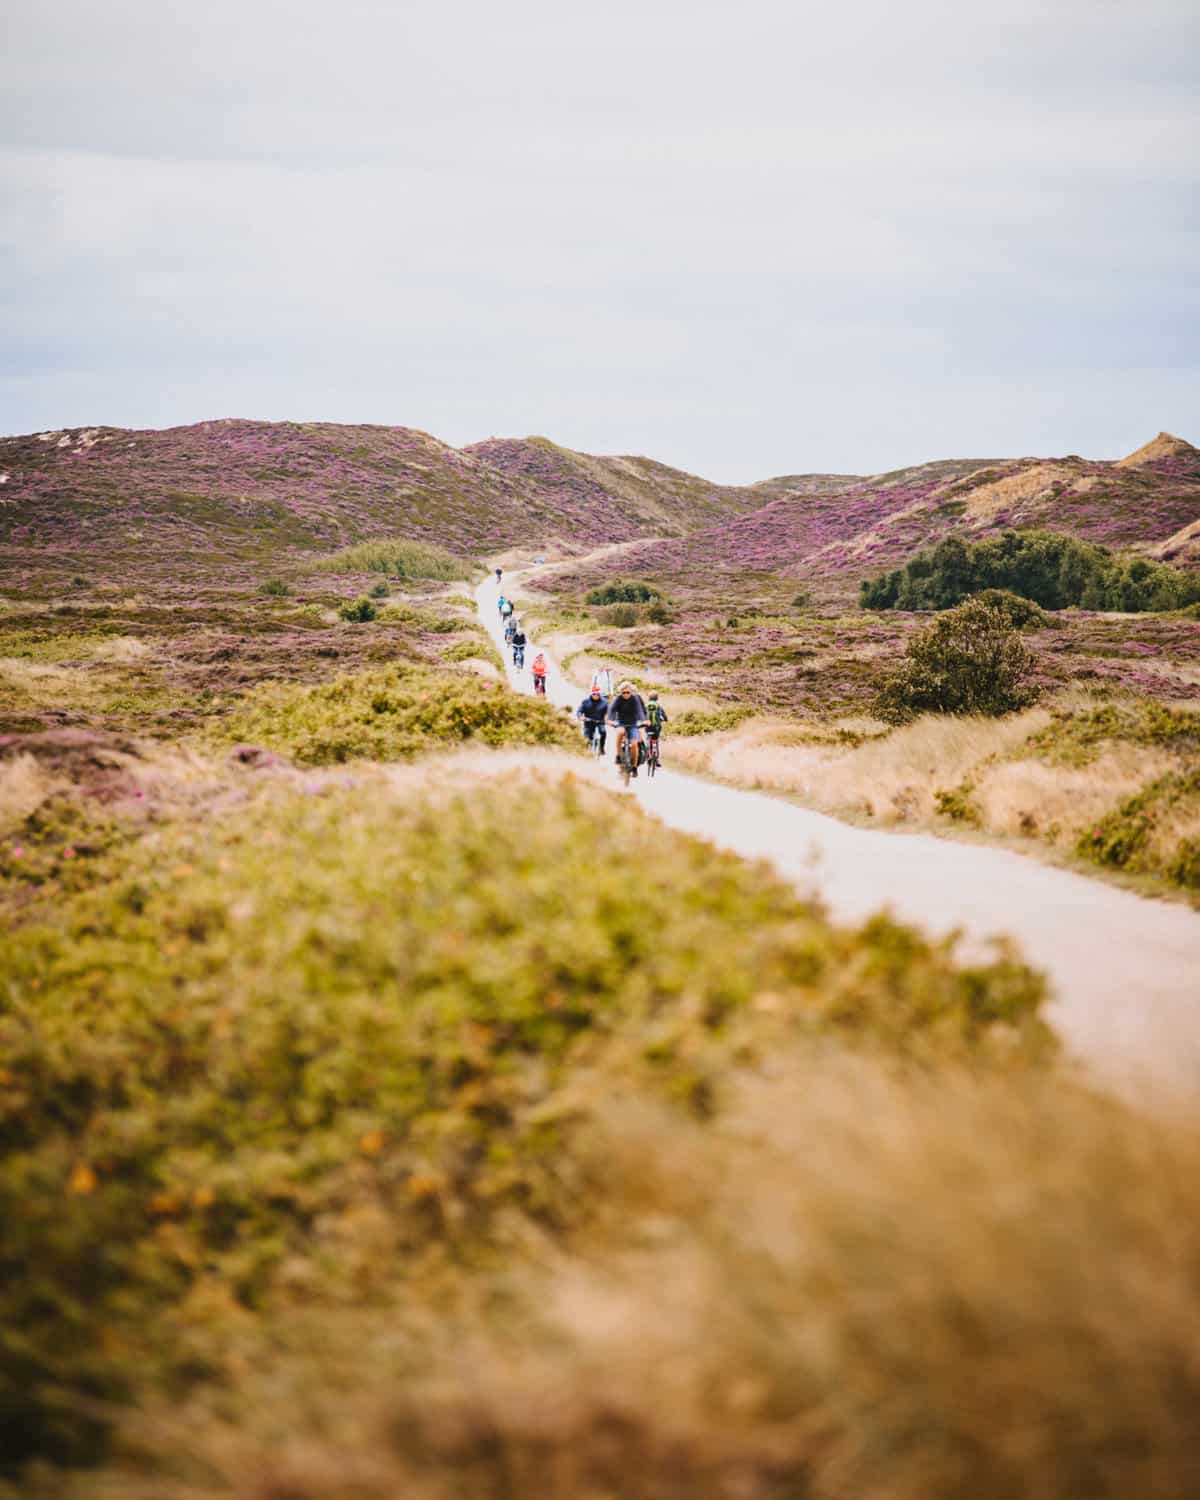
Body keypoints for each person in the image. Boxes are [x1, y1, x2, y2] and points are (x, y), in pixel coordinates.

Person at [607, 680, 649, 778]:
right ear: (621, 692)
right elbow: (612, 710)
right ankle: (618, 756)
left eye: (628, 692)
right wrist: (610, 720)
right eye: (623, 692)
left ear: (631, 692)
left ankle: (634, 768)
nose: (626, 694)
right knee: (620, 733)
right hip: (621, 722)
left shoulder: (635, 699)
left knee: (634, 744)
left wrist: (644, 720)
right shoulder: (618, 699)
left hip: (633, 724)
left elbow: (640, 711)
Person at [576, 686, 608, 754]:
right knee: (586, 737)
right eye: (594, 694)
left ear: (600, 694)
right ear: (591, 694)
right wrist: (581, 717)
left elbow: (609, 712)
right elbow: (579, 711)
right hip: (588, 722)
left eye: (597, 694)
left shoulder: (605, 702)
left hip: (600, 722)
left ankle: (601, 748)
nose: (596, 695)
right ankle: (585, 752)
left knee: (603, 732)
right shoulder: (585, 701)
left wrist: (607, 718)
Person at [645, 692, 669, 763]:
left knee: (648, 737)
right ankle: (656, 759)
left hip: (647, 725)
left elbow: (642, 714)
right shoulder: (658, 706)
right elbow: (664, 716)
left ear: (649, 698)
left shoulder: (646, 705)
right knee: (655, 740)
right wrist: (665, 719)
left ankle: (648, 753)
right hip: (656, 726)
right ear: (657, 698)